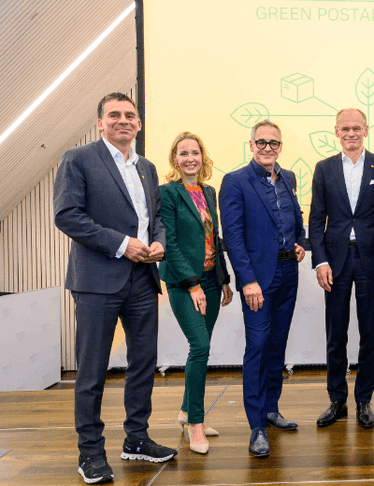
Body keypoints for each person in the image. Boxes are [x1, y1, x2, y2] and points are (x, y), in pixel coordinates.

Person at [53, 92, 177, 484]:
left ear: (138, 123)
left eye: (130, 115)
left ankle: (136, 439)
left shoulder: (147, 167)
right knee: (92, 370)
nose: (123, 120)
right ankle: (90, 453)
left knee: (143, 363)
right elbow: (67, 215)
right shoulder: (78, 159)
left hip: (143, 278)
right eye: (114, 115)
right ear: (100, 123)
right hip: (97, 280)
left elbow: (155, 218)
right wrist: (123, 244)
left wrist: (158, 242)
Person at [219, 119, 306, 457]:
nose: (268, 148)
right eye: (262, 142)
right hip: (258, 279)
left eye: (274, 143)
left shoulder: (288, 177)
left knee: (277, 344)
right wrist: (248, 280)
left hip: (288, 272)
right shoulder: (235, 181)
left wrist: (300, 243)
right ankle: (256, 426)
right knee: (257, 345)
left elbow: (296, 219)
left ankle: (271, 408)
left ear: (281, 146)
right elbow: (233, 237)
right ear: (251, 145)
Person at [309, 108, 374, 429]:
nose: (351, 134)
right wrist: (320, 260)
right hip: (335, 261)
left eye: (356, 128)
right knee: (336, 333)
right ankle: (337, 400)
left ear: (366, 130)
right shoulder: (324, 168)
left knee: (370, 333)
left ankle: (364, 401)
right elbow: (316, 219)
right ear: (336, 131)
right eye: (345, 128)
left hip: (371, 259)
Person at [159, 132, 234, 454]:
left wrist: (224, 279)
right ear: (175, 160)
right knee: (200, 346)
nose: (190, 158)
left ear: (202, 157)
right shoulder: (168, 192)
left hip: (212, 280)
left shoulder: (208, 191)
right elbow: (170, 242)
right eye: (184, 153)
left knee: (202, 348)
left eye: (195, 152)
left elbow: (213, 238)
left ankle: (186, 410)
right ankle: (196, 424)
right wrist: (192, 285)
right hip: (182, 282)